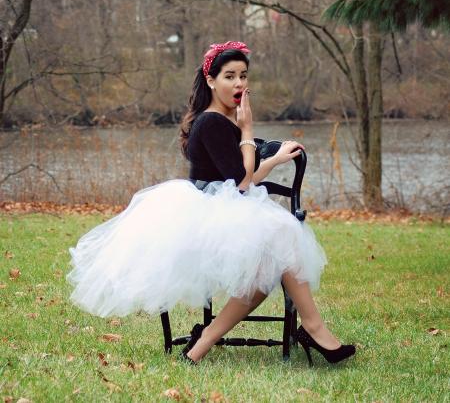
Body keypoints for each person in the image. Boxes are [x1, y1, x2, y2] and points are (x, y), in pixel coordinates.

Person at [67, 41, 356, 367]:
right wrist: (247, 128)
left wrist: (273, 159)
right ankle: (311, 328)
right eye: (230, 76)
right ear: (211, 81)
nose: (239, 84)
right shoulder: (211, 122)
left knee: (271, 260)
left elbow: (240, 177)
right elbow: (242, 180)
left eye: (244, 76)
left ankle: (204, 344)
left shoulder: (224, 121)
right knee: (282, 235)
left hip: (225, 205)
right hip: (206, 218)